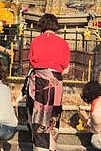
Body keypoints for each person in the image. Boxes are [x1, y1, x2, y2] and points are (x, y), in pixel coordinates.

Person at [26, 13, 70, 151]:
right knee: (54, 113)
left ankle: (39, 146)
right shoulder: (63, 43)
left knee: (38, 112)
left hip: (39, 80)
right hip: (55, 81)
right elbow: (66, 69)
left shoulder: (35, 41)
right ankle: (51, 145)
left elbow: (33, 63)